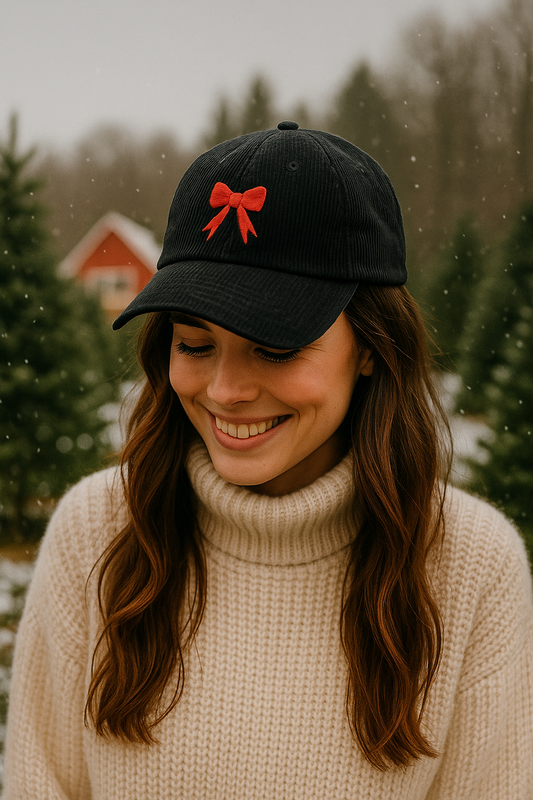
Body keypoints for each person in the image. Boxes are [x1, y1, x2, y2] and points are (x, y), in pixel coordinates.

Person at [5, 122, 533, 799]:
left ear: (371, 347)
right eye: (194, 345)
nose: (224, 391)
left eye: (275, 349)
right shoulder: (97, 534)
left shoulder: (468, 566)